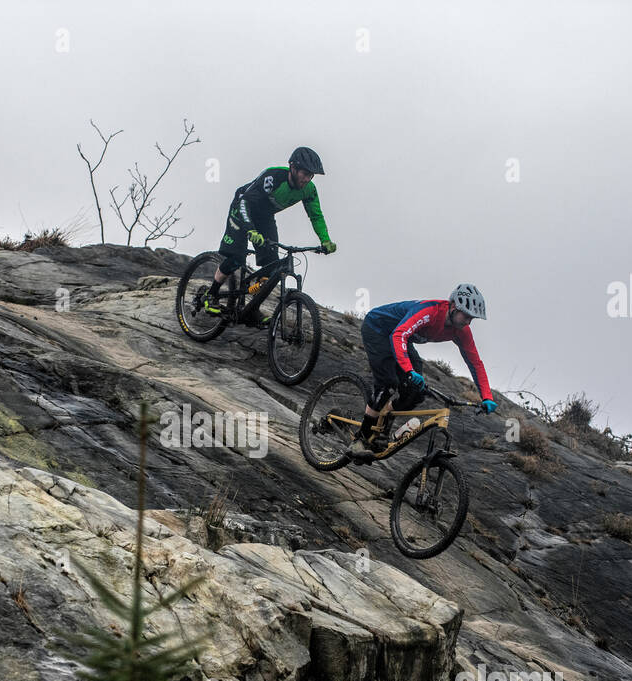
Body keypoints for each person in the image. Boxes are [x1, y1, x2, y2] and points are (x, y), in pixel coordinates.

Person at [349, 284, 498, 460]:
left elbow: (475, 363)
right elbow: (399, 335)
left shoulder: (462, 331)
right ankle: (360, 440)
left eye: (472, 318)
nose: (468, 322)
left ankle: (384, 422)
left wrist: (487, 396)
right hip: (377, 328)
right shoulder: (430, 312)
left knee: (417, 393)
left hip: (399, 337)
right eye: (466, 315)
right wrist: (409, 370)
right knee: (388, 384)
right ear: (454, 307)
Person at [204, 147, 336, 322]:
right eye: (304, 173)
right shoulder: (273, 177)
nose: (306, 179)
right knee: (237, 257)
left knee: (273, 267)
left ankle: (252, 309)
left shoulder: (309, 190)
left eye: (310, 175)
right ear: (293, 168)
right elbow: (245, 202)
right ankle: (211, 294)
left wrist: (325, 240)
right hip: (243, 207)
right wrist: (250, 229)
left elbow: (316, 216)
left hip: (265, 217)